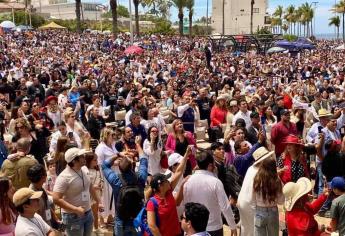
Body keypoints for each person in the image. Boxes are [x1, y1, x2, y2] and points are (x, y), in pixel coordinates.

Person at [101, 136, 148, 235]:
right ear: (132, 166)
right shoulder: (140, 178)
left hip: (121, 221)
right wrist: (138, 145)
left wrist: (118, 154)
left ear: (120, 168)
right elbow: (144, 160)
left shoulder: (116, 180)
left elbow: (104, 165)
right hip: (138, 219)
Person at [183, 151, 237, 236]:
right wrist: (232, 226)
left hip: (193, 228)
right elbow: (225, 207)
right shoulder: (215, 182)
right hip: (214, 228)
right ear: (210, 165)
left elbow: (186, 205)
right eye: (213, 163)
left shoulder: (188, 181)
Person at [52, 148, 100, 236]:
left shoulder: (84, 169)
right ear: (74, 161)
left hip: (88, 213)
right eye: (81, 156)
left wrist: (98, 201)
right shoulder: (64, 177)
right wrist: (76, 209)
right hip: (72, 217)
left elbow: (89, 185)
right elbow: (56, 199)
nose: (84, 157)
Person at [146, 146, 191, 236]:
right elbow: (152, 226)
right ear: (160, 186)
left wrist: (186, 155)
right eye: (166, 180)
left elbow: (178, 172)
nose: (168, 181)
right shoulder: (152, 202)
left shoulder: (168, 191)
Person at [237, 147, 275, 236]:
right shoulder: (261, 173)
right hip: (251, 205)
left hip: (242, 202)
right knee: (254, 231)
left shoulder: (251, 168)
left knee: (246, 229)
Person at [252, 156, 284, 236]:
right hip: (272, 211)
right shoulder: (277, 179)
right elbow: (281, 201)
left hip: (259, 211)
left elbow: (252, 198)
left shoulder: (257, 178)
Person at [85, 152, 104, 233]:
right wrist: (94, 186)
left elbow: (101, 178)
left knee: (96, 213)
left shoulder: (97, 169)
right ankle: (90, 230)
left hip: (97, 194)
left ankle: (96, 228)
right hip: (89, 195)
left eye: (97, 160)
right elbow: (86, 184)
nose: (96, 162)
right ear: (89, 161)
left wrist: (101, 184)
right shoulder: (85, 171)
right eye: (94, 160)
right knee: (90, 214)